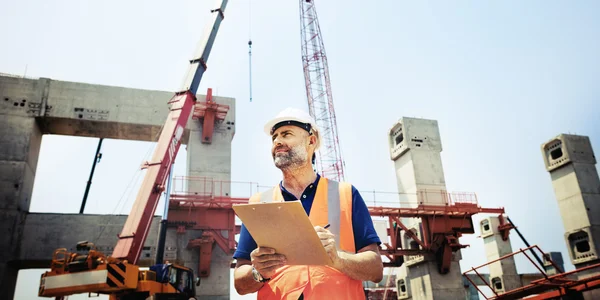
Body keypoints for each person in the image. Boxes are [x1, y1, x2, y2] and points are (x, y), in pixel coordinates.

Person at [233, 108, 383, 300]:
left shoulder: (345, 194)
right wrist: (258, 272)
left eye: (286, 134)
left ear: (311, 141)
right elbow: (240, 283)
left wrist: (338, 258)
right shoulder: (259, 203)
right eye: (274, 137)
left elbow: (376, 269)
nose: (277, 141)